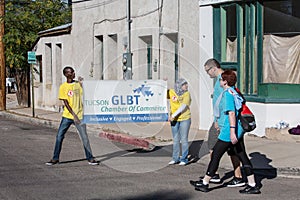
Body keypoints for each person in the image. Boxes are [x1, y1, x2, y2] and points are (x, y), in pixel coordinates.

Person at [190, 70, 261, 194]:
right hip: (238, 129)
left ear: (225, 82)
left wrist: (232, 132)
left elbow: (232, 113)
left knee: (216, 155)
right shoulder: (235, 92)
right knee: (242, 156)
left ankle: (205, 182)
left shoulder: (228, 94)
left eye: (222, 79)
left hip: (229, 131)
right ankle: (252, 184)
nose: (220, 81)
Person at [203, 58, 245, 186]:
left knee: (213, 147)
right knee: (235, 151)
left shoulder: (222, 81)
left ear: (213, 68)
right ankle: (238, 176)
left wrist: (217, 121)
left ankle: (212, 175)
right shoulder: (221, 80)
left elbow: (224, 103)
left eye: (207, 71)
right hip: (224, 121)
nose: (207, 74)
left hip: (222, 121)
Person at [46, 66, 98, 166]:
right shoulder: (63, 87)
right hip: (68, 116)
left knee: (85, 138)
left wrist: (83, 84)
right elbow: (66, 102)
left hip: (80, 115)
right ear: (66, 74)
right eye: (71, 72)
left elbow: (88, 93)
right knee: (59, 136)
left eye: (73, 71)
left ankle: (90, 158)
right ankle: (55, 158)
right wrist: (74, 115)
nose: (74, 73)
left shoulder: (78, 85)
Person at [167, 78, 191, 166]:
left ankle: (184, 159)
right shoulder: (171, 92)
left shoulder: (187, 94)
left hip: (184, 118)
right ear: (179, 86)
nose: (186, 86)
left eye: (186, 84)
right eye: (184, 84)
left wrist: (173, 115)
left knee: (184, 139)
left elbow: (183, 106)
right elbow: (161, 93)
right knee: (176, 139)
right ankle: (175, 158)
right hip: (174, 120)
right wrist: (163, 81)